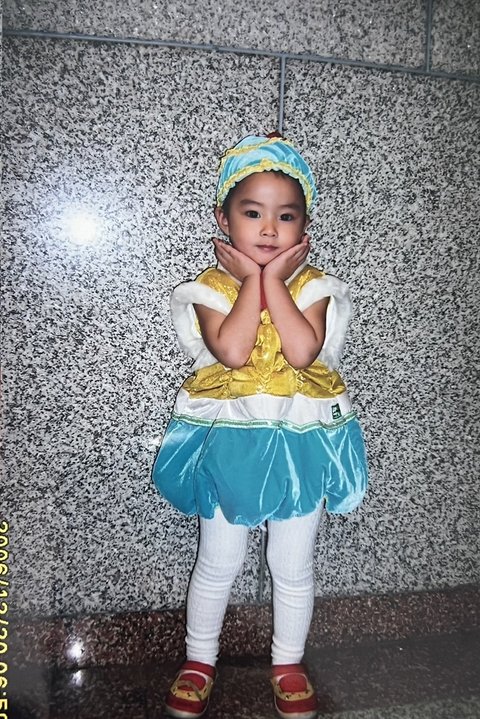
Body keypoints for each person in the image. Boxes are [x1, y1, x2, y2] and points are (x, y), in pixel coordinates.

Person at [152, 133, 368, 719]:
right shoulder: (210, 288)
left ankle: (288, 662)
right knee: (218, 560)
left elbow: (301, 352)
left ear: (305, 228)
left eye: (286, 216)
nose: (270, 228)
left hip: (302, 444)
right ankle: (199, 659)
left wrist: (272, 281)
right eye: (253, 213)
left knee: (291, 565)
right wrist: (252, 282)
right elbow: (232, 350)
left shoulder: (315, 287)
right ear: (224, 220)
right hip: (231, 441)